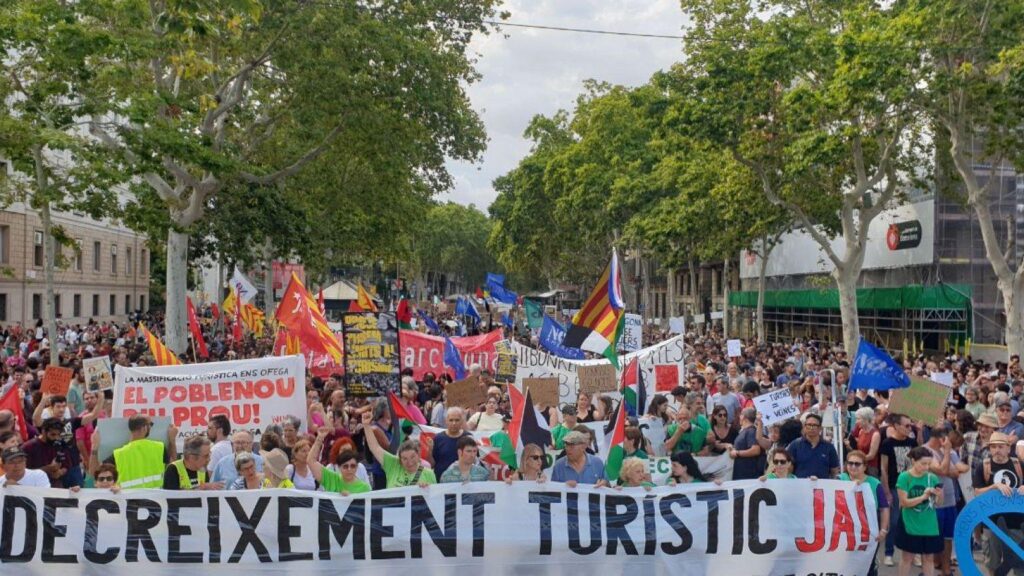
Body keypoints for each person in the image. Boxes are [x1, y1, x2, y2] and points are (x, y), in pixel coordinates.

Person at [972, 431, 1024, 576]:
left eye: (1001, 447)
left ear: (1008, 448)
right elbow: (977, 493)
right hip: (991, 522)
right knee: (992, 562)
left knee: (1020, 561)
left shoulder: (1019, 465)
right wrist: (994, 487)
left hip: (1017, 522)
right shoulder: (984, 466)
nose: (997, 450)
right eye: (993, 447)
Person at [894, 446, 943, 576]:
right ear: (913, 461)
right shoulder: (904, 477)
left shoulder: (932, 478)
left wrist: (939, 494)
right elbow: (904, 502)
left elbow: (939, 503)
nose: (926, 467)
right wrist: (923, 497)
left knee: (928, 558)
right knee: (907, 557)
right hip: (910, 521)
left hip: (929, 523)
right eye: (923, 463)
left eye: (928, 464)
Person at [840, 450, 890, 576]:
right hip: (845, 531)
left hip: (868, 531)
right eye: (850, 463)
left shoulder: (874, 483)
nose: (853, 466)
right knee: (845, 565)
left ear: (865, 466)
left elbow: (884, 508)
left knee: (868, 565)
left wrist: (883, 529)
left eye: (857, 464)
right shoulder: (839, 479)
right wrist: (814, 482)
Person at [880, 412, 920, 566]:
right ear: (896, 426)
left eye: (911, 426)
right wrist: (886, 491)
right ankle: (889, 553)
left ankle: (914, 553)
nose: (909, 428)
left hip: (912, 487)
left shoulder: (912, 442)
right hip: (895, 486)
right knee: (894, 521)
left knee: (913, 521)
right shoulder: (887, 443)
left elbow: (920, 459)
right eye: (907, 426)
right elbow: (883, 468)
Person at [361, 411, 435, 488]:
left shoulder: (428, 474)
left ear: (418, 455)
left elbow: (435, 493)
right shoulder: (393, 465)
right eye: (405, 459)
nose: (409, 462)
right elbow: (374, 447)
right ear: (399, 459)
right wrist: (366, 425)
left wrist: (426, 490)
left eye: (412, 457)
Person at [106, 414, 176, 490]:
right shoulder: (159, 447)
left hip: (128, 497)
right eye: (151, 424)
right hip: (155, 496)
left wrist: (96, 449)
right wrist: (172, 441)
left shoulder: (118, 454)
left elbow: (98, 470)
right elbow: (173, 466)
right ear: (144, 428)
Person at [308, 428, 371, 495]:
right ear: (339, 466)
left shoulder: (365, 488)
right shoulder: (331, 479)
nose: (349, 469)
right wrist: (319, 438)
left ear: (357, 466)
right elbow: (311, 461)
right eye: (345, 466)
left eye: (353, 466)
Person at [787, 413, 839, 479]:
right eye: (809, 425)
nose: (811, 428)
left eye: (814, 425)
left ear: (820, 428)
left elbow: (834, 471)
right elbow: (788, 469)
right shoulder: (795, 445)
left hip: (822, 484)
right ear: (804, 427)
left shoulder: (829, 447)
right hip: (800, 484)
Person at [426, 407, 469, 477]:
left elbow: (474, 461)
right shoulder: (438, 438)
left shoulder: (468, 438)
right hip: (441, 480)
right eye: (451, 420)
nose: (454, 423)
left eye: (457, 420)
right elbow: (431, 464)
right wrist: (430, 450)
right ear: (446, 421)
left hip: (462, 480)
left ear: (461, 421)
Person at [729, 408, 764, 480]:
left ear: (743, 417)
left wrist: (737, 453)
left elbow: (756, 450)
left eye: (740, 414)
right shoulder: (744, 431)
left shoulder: (751, 431)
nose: (739, 417)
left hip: (748, 475)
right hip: (741, 474)